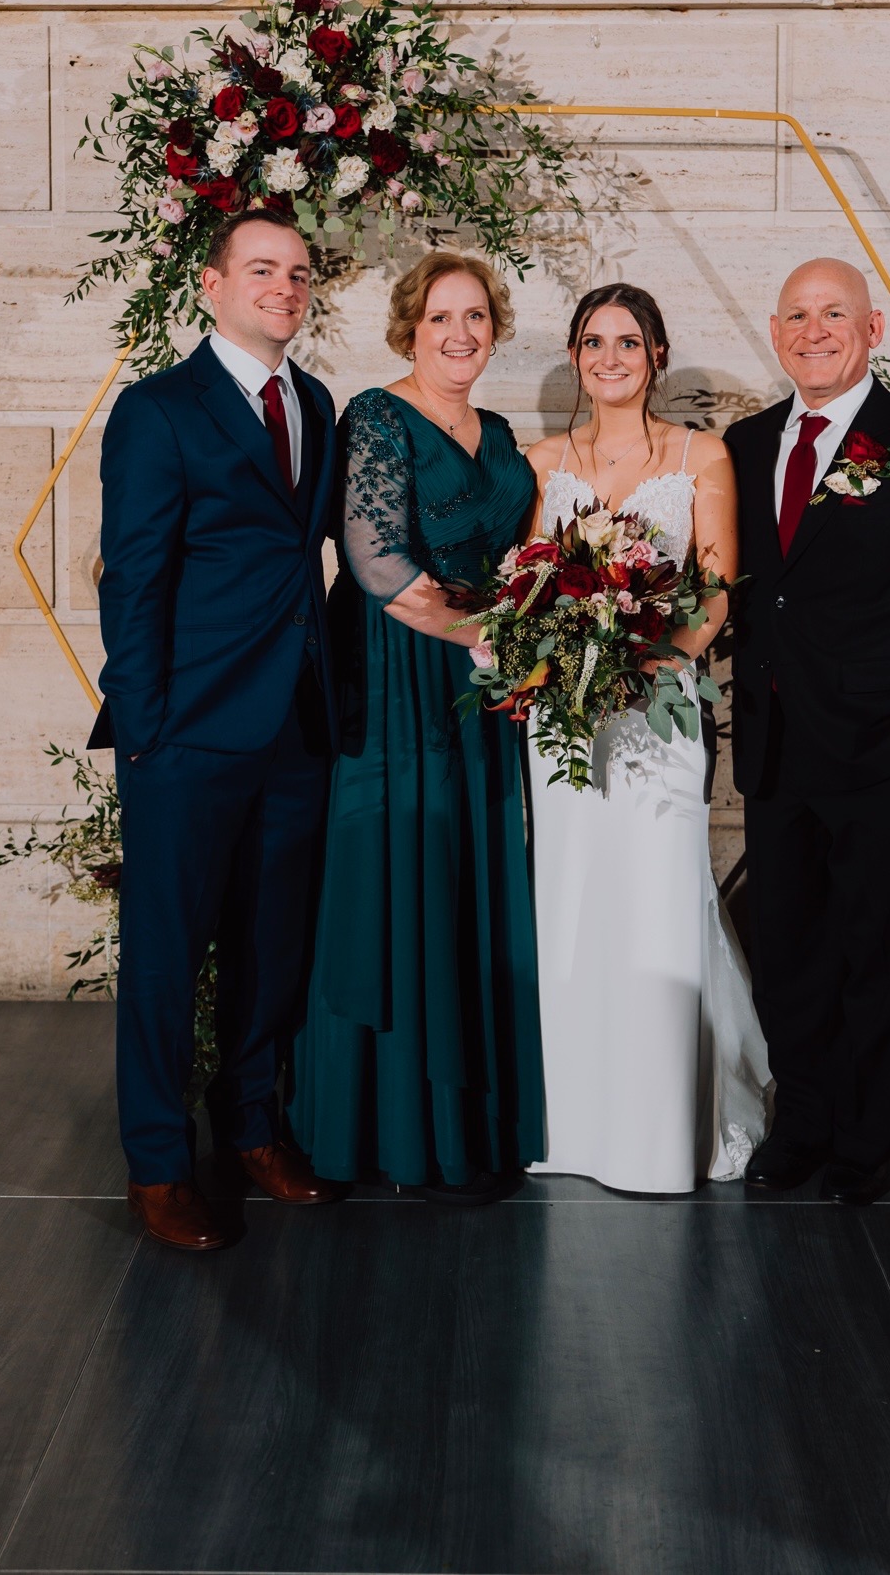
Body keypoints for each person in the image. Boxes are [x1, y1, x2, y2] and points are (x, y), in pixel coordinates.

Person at [91, 208, 342, 1251]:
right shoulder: (158, 409)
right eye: (262, 268)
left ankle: (250, 1130)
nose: (283, 286)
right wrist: (145, 729)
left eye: (298, 272)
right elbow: (132, 579)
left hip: (294, 725)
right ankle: (158, 1163)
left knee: (268, 944)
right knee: (165, 954)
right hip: (186, 730)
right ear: (212, 283)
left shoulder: (314, 402)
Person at [725, 258, 890, 1204]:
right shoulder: (744, 444)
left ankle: (862, 1141)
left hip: (883, 751)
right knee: (789, 953)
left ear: (871, 329)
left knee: (878, 956)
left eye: (833, 313)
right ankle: (799, 1122)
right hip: (774, 747)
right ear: (775, 332)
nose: (814, 331)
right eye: (796, 315)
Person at [289, 250, 544, 1204]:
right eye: (440, 316)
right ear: (409, 328)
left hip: (478, 679)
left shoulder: (501, 430)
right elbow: (377, 563)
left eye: (475, 316)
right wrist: (492, 639)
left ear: (495, 329)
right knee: (394, 869)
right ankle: (384, 1123)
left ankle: (469, 1123)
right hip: (399, 671)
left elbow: (524, 555)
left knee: (465, 871)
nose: (459, 333)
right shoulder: (376, 415)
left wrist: (535, 637)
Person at [523, 284, 771, 1195]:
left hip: (658, 707)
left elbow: (715, 587)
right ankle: (570, 1122)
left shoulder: (700, 454)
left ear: (657, 354)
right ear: (574, 355)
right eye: (593, 341)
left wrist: (653, 660)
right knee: (572, 899)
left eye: (628, 341)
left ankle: (659, 1131)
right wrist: (555, 653)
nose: (610, 357)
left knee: (658, 898)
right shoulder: (541, 461)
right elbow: (525, 587)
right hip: (566, 717)